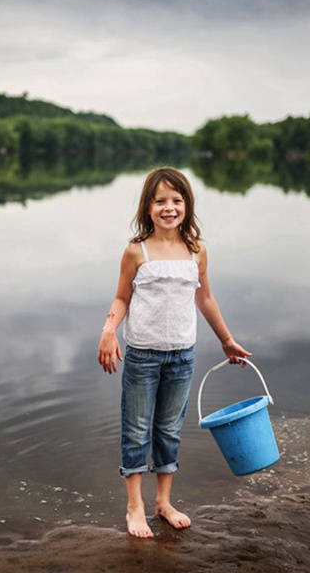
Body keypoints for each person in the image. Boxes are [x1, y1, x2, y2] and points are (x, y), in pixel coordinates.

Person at [97, 166, 251, 538]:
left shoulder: (196, 251)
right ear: (148, 207)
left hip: (182, 356)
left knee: (168, 430)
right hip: (143, 356)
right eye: (160, 200)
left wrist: (226, 339)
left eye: (176, 200)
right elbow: (122, 297)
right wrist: (108, 330)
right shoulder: (137, 251)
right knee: (136, 431)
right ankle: (135, 507)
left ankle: (163, 502)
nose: (169, 208)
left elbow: (206, 298)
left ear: (187, 205)